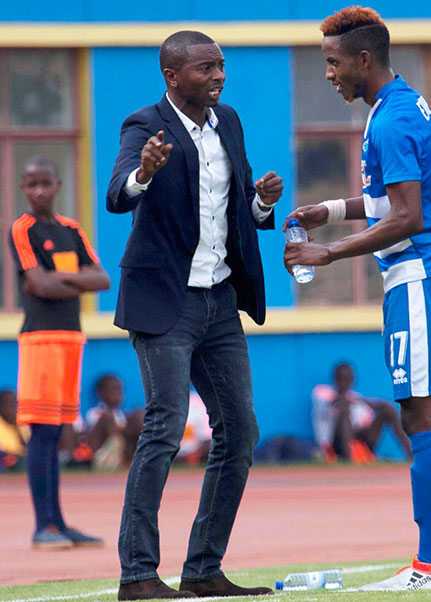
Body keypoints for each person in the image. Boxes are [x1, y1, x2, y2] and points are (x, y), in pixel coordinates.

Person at [284, 6, 431, 590]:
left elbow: (409, 215)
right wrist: (332, 210)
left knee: (423, 416)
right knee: (427, 416)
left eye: (333, 62)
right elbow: (396, 198)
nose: (328, 74)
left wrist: (330, 252)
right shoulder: (403, 103)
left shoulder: (388, 120)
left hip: (421, 274)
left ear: (364, 59)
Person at [106, 30, 283, 600]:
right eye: (207, 68)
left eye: (222, 66)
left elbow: (237, 208)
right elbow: (117, 194)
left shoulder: (226, 120)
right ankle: (137, 575)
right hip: (166, 301)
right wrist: (145, 173)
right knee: (164, 427)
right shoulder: (142, 124)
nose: (219, 76)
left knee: (241, 430)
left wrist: (261, 203)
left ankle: (204, 569)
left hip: (220, 300)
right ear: (173, 76)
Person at [9, 155, 111, 549]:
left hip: (72, 339)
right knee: (42, 432)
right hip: (40, 340)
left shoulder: (71, 229)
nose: (38, 191)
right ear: (23, 188)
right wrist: (74, 281)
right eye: (31, 184)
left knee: (58, 433)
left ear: (58, 185)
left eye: (45, 183)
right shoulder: (22, 229)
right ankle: (43, 526)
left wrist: (58, 278)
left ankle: (59, 523)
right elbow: (37, 284)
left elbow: (101, 279)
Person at [312, 362, 413, 462]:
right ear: (335, 378)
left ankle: (410, 455)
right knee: (344, 412)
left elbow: (364, 422)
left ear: (353, 380)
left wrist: (374, 404)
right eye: (341, 378)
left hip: (358, 440)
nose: (345, 381)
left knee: (387, 409)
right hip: (334, 443)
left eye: (348, 378)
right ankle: (349, 461)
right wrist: (357, 402)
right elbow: (334, 402)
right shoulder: (322, 392)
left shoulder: (356, 398)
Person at [85, 374, 144, 468]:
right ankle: (109, 459)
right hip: (102, 449)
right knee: (109, 420)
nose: (118, 394)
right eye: (113, 389)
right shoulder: (95, 412)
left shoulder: (122, 415)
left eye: (120, 390)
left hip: (124, 449)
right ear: (100, 393)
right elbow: (95, 435)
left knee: (139, 414)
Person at [0, 389, 28, 472]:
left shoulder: (21, 422)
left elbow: (27, 445)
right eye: (8, 405)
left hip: (21, 458)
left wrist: (16, 426)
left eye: (14, 405)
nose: (12, 409)